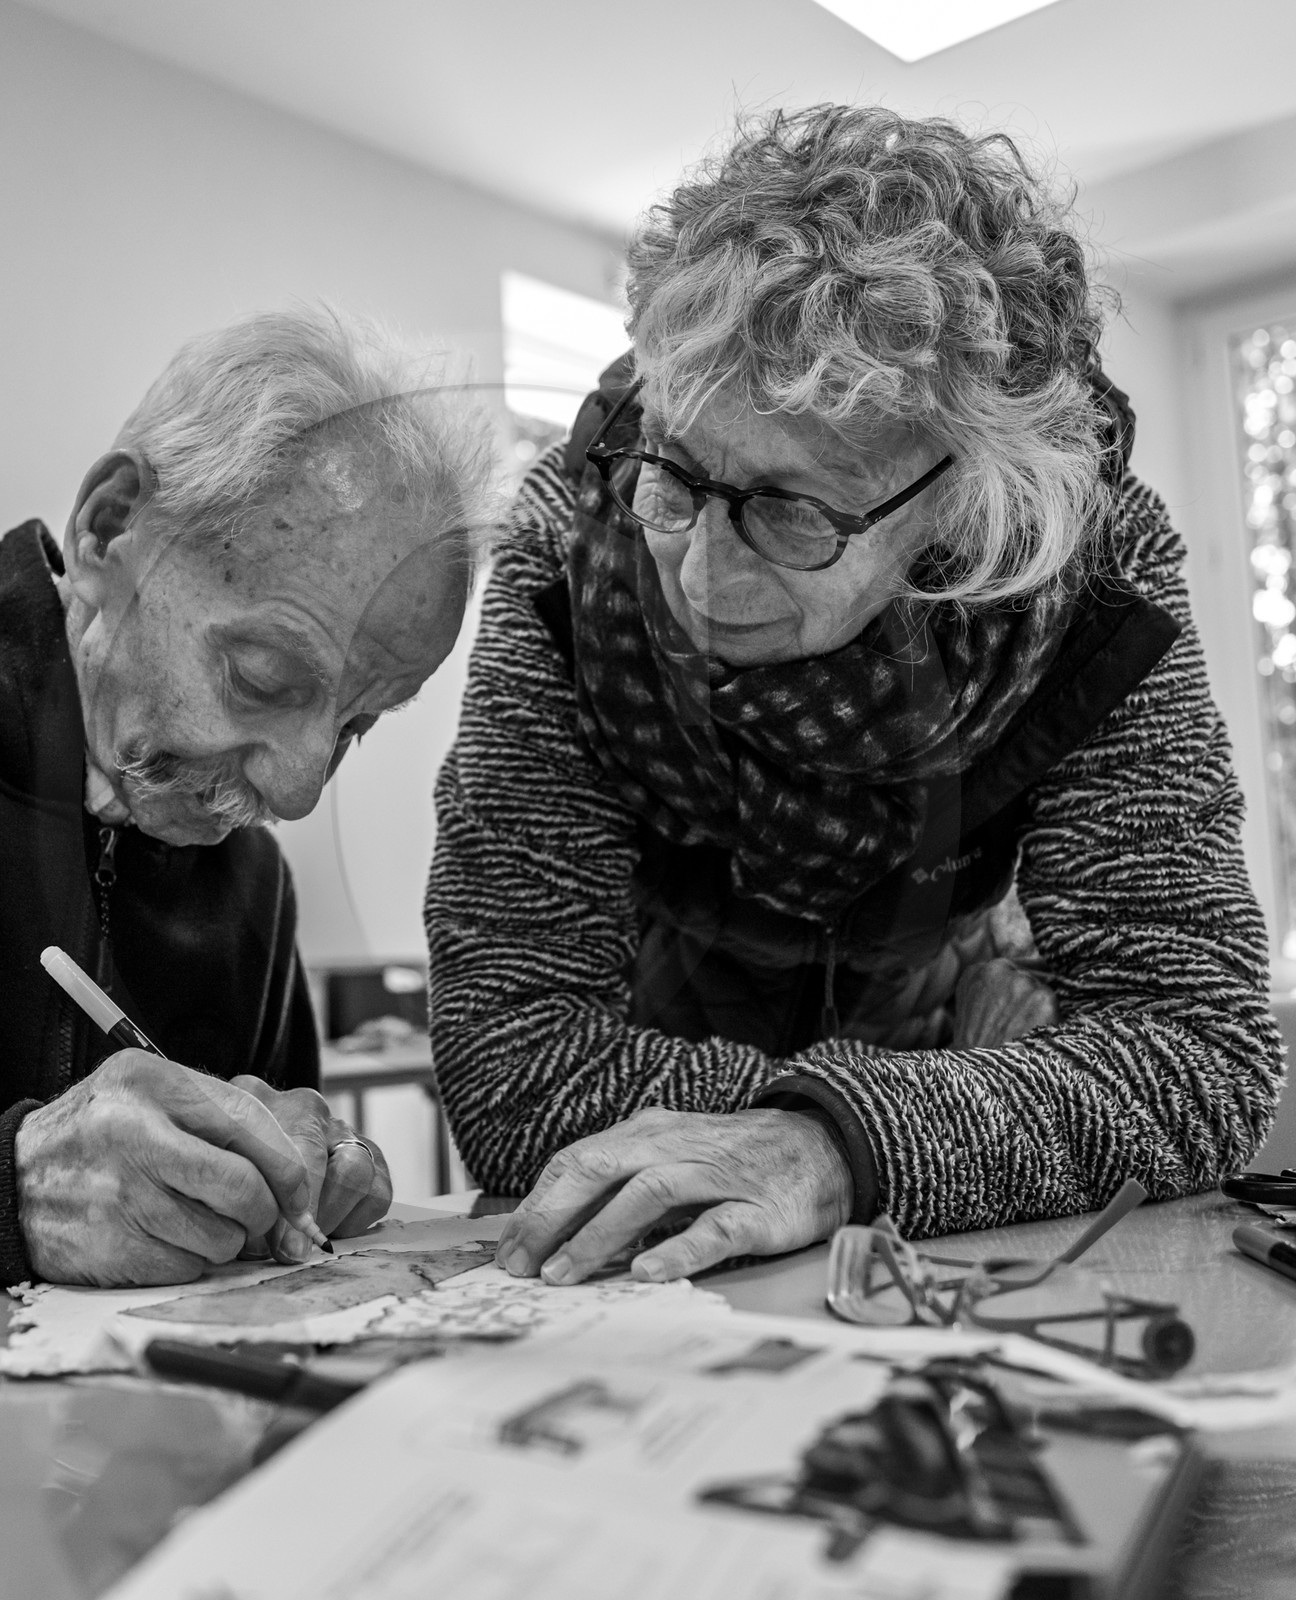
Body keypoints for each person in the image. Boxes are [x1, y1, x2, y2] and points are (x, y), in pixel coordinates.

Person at [426, 106, 1284, 1290]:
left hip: (938, 1085)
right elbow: (514, 1061)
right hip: (664, 1170)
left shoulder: (1096, 580)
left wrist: (841, 1137)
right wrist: (927, 1120)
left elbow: (1196, 1050)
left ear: (965, 496)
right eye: (674, 475)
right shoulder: (563, 557)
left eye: (793, 510)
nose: (702, 579)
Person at [0, 308, 493, 1317]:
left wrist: (295, 1171)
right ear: (110, 524)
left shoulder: (246, 887)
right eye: (261, 677)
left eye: (357, 725)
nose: (296, 792)